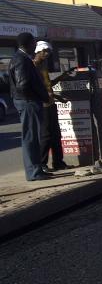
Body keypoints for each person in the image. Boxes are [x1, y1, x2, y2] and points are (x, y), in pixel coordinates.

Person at [8, 33, 52, 181]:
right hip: (28, 102)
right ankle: (34, 172)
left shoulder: (22, 58)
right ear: (28, 44)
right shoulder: (21, 60)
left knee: (33, 137)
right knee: (31, 137)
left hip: (28, 101)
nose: (35, 45)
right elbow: (23, 84)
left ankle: (37, 169)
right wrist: (38, 96)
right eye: (34, 42)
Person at [34, 41, 69, 172]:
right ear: (38, 51)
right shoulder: (33, 66)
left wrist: (62, 77)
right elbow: (39, 89)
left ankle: (58, 162)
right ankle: (42, 164)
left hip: (51, 103)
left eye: (48, 52)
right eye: (45, 51)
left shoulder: (43, 66)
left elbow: (48, 85)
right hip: (43, 105)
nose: (47, 54)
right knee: (46, 135)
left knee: (56, 135)